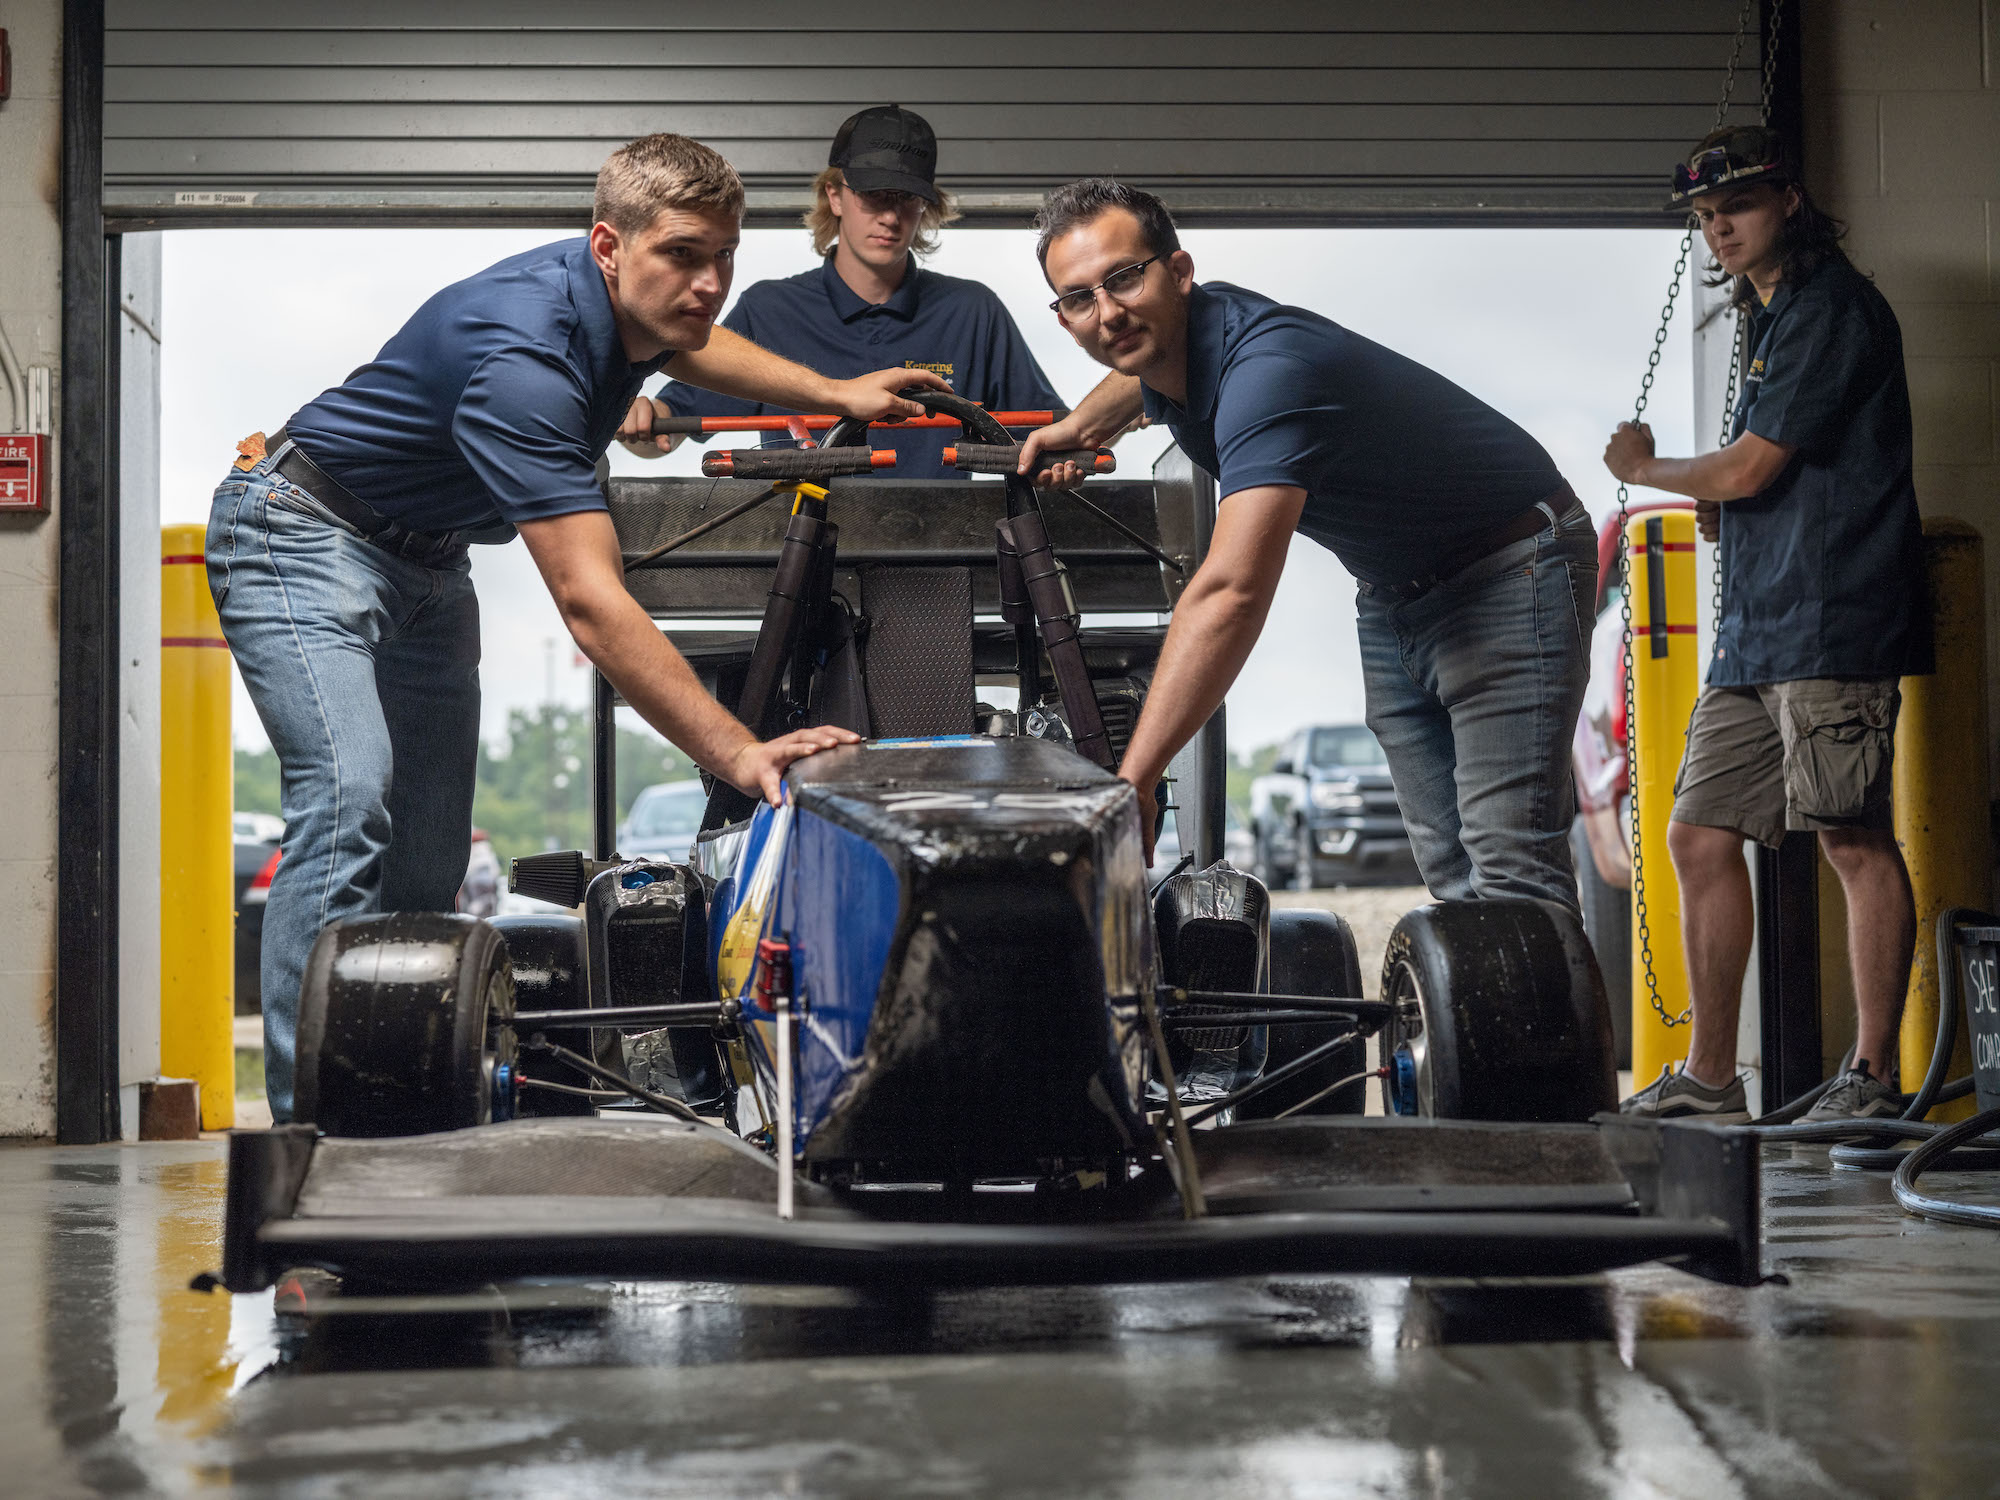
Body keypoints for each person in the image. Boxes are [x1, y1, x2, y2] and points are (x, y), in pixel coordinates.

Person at [210, 133, 947, 1122]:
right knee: (350, 803)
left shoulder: (621, 300)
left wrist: (835, 394)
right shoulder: (526, 359)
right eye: (682, 254)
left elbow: (695, 336)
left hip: (428, 563)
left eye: (723, 255)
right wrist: (739, 751)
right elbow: (593, 608)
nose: (709, 282)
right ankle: (309, 1127)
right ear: (609, 245)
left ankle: (408, 1100)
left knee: (427, 860)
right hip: (301, 532)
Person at [1021, 179, 1597, 914]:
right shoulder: (1181, 342)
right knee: (1454, 880)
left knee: (1517, 881)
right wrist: (1079, 427)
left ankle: (1560, 1032)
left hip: (1511, 569)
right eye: (1078, 298)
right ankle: (1489, 1030)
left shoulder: (1270, 373)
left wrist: (1134, 781)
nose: (1107, 312)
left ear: (1180, 270)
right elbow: (1135, 372)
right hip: (1395, 593)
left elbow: (1232, 591)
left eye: (1125, 277)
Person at [1605, 126, 1930, 1124]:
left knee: (1848, 839)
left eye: (1733, 210)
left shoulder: (1829, 307)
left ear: (1786, 198)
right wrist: (1726, 504)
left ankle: (1872, 1080)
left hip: (1831, 618)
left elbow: (1749, 466)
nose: (1718, 232)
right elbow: (1761, 477)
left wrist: (1646, 470)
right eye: (1704, 220)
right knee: (1698, 835)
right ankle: (1709, 1081)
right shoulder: (1767, 318)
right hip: (1756, 626)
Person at [621, 105, 1063, 478]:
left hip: (938, 562)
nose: (890, 217)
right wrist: (641, 417)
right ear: (834, 195)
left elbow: (1059, 434)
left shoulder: (972, 311)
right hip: (796, 559)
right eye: (874, 195)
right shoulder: (768, 309)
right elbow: (664, 433)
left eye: (906, 198)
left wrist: (1124, 394)